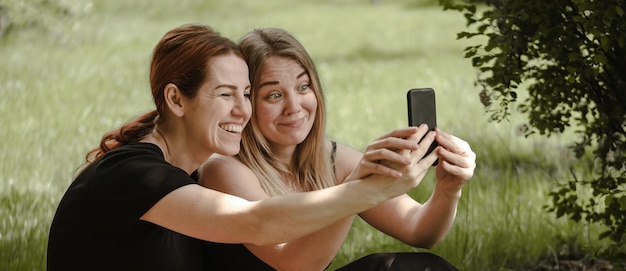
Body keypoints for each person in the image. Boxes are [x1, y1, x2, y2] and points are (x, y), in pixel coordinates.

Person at [46, 24, 436, 271]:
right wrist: (361, 189)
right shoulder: (132, 172)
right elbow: (257, 222)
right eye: (225, 94)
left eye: (247, 94)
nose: (241, 110)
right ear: (177, 100)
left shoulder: (180, 173)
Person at [199, 27, 476, 271]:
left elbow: (420, 231)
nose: (295, 107)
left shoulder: (332, 159)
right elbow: (293, 265)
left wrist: (449, 189)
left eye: (303, 87)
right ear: (247, 101)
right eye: (274, 95)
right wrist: (360, 189)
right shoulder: (224, 169)